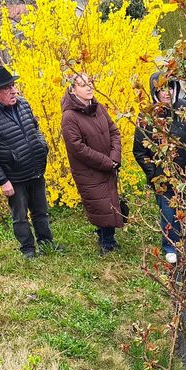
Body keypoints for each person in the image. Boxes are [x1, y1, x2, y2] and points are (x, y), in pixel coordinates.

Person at [0, 67, 57, 258]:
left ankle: (46, 242)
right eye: (7, 88)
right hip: (14, 175)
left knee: (41, 210)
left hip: (35, 168)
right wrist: (2, 180)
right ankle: (28, 249)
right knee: (20, 216)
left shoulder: (23, 104)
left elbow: (35, 128)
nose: (13, 91)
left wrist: (41, 146)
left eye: (13, 85)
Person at [133, 72, 186, 264]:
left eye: (170, 87)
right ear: (155, 90)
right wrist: (154, 173)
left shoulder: (185, 108)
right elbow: (139, 151)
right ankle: (169, 246)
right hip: (163, 176)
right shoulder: (147, 115)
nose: (167, 92)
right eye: (162, 88)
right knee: (168, 212)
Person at [60, 72, 125, 253]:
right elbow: (77, 148)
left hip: (107, 165)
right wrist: (106, 162)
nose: (88, 87)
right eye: (82, 85)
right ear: (73, 90)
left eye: (89, 83)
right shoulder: (70, 117)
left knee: (109, 200)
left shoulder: (98, 108)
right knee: (100, 204)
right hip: (89, 171)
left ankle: (108, 237)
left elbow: (114, 132)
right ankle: (106, 242)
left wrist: (115, 157)